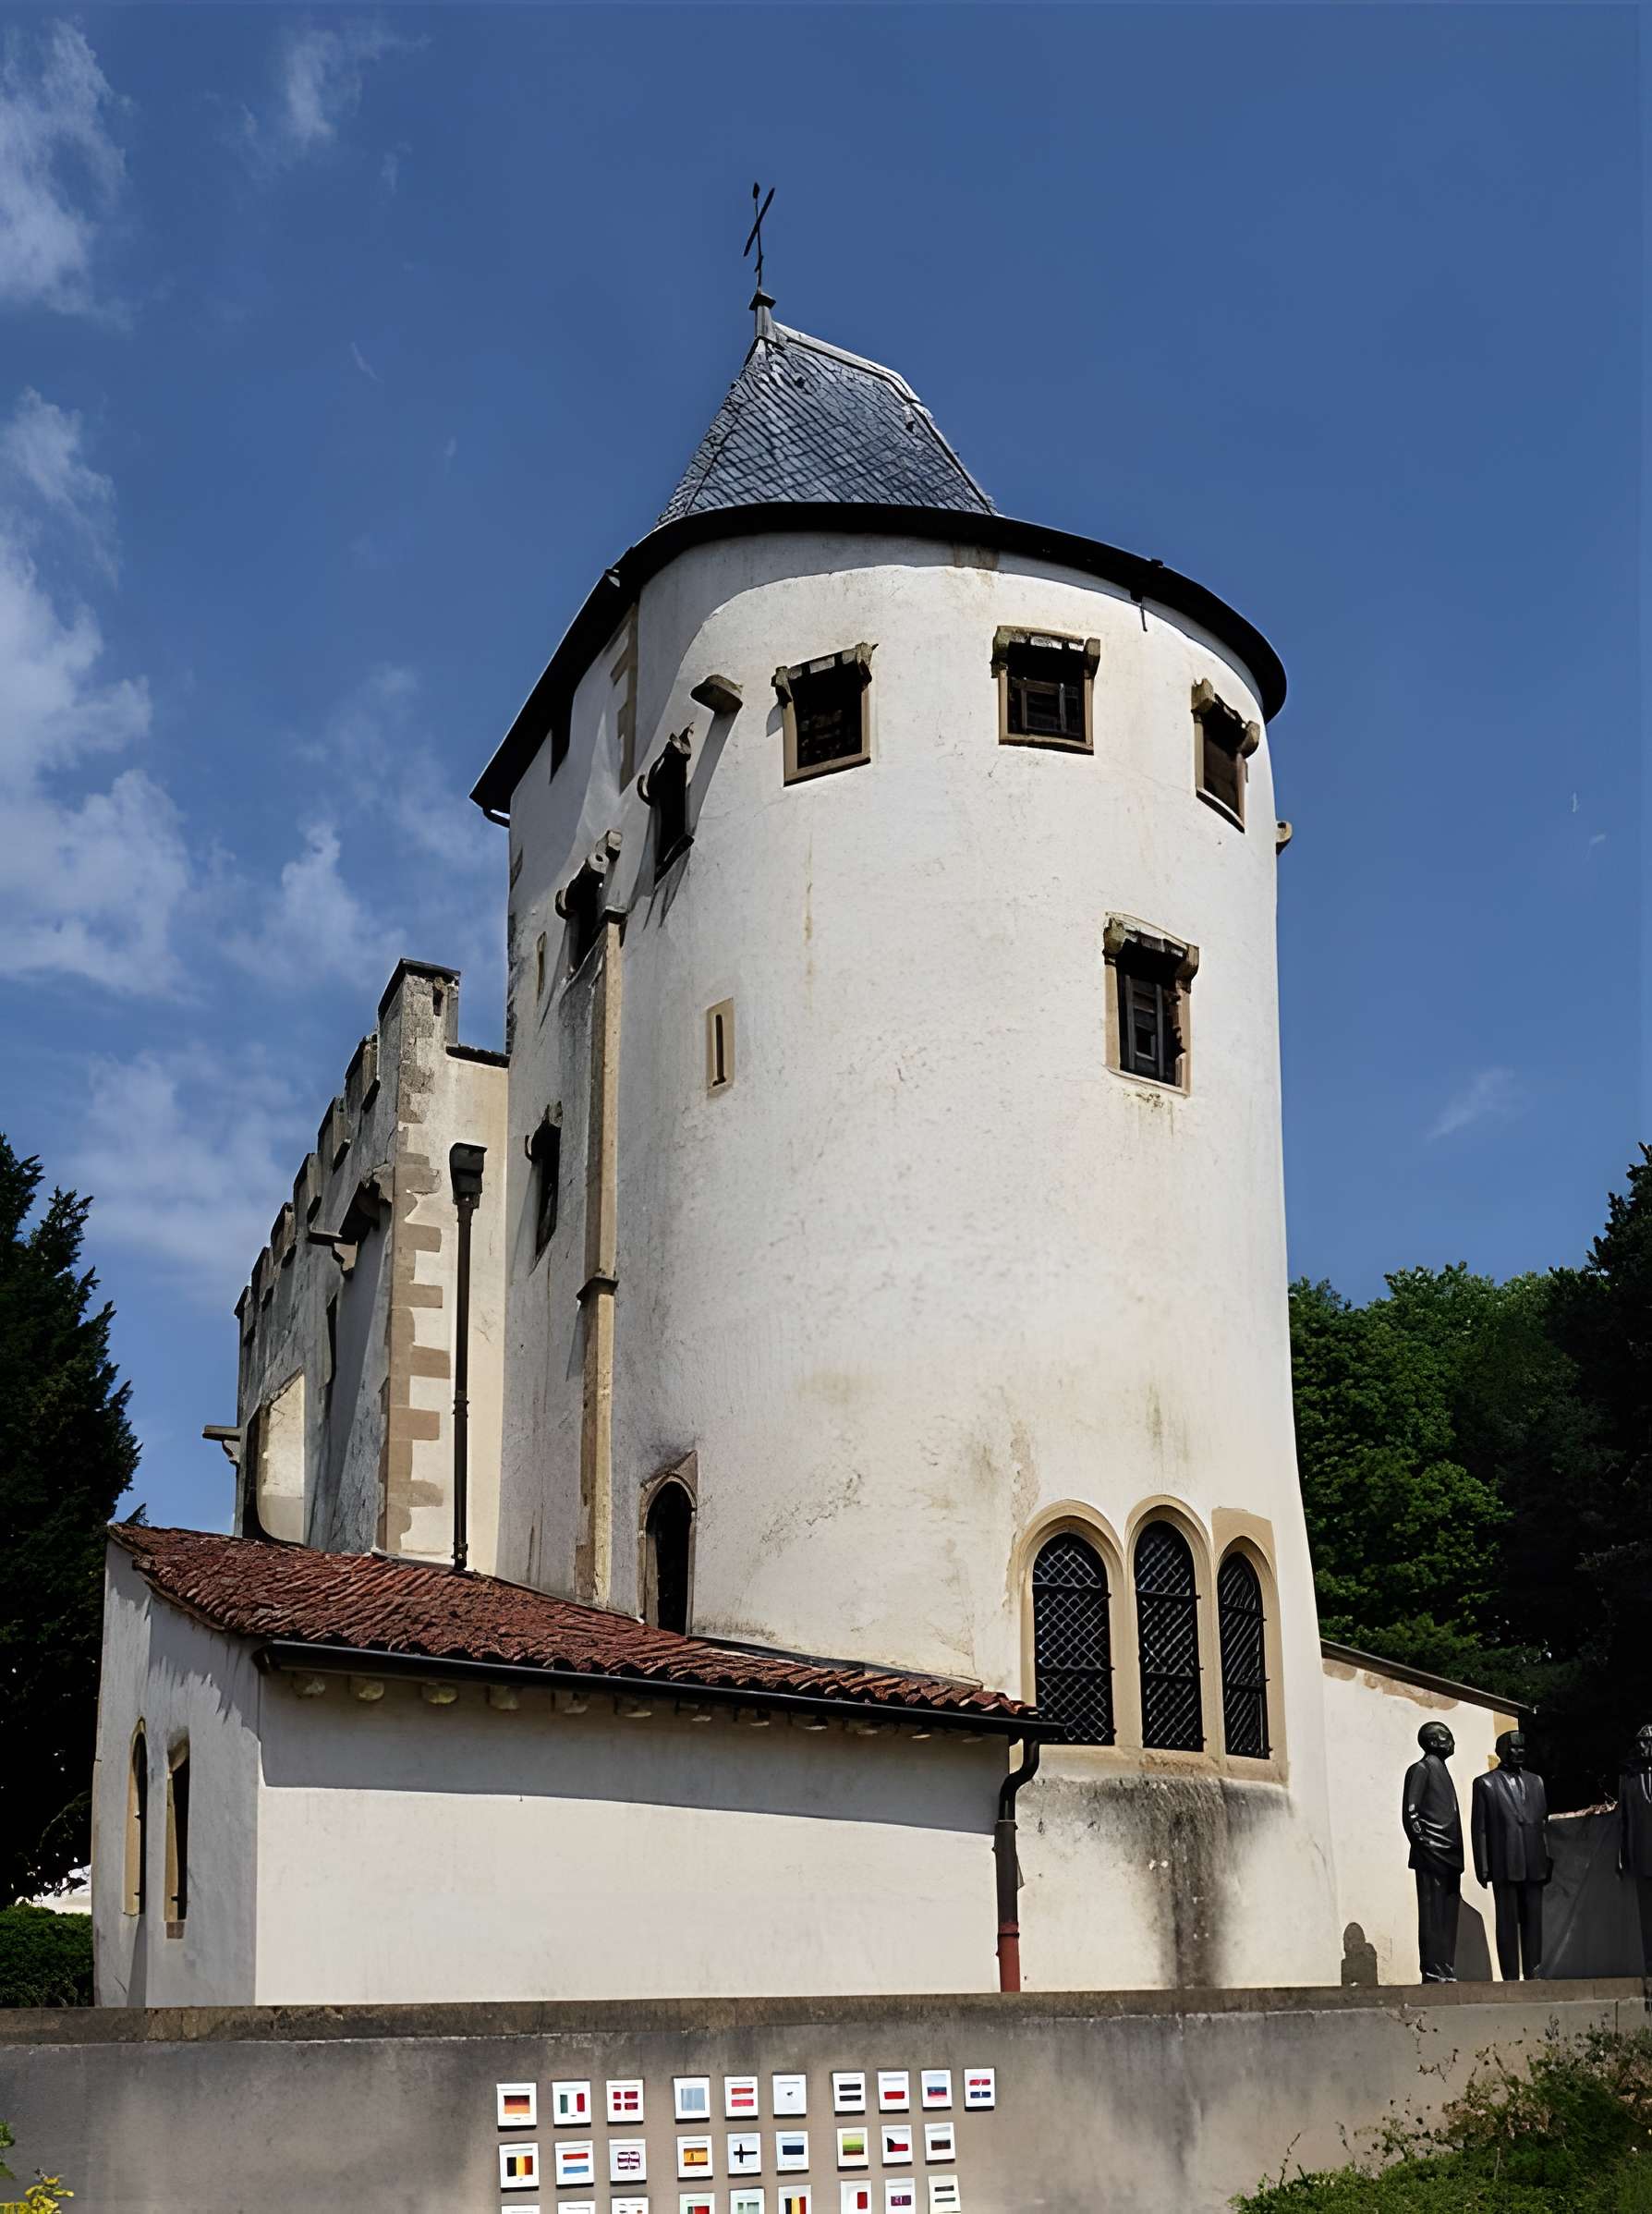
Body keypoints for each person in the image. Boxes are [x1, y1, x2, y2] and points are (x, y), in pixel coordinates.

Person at [1471, 1729, 1549, 1979]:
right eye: (1514, 1748)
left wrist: (1547, 1858)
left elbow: (1542, 1823)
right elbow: (1480, 1827)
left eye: (1522, 1748)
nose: (1519, 1752)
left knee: (1533, 1922)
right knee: (1507, 1922)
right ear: (1501, 1752)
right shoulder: (1485, 1783)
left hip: (1534, 1861)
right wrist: (1482, 1865)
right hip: (1504, 1862)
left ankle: (1534, 1972)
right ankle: (1510, 1978)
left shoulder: (1536, 1781)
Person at [1403, 1721, 1464, 1982]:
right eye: (1446, 1736)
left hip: (1451, 1855)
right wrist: (1425, 1844)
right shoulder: (1421, 1769)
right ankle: (1432, 1970)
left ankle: (1446, 1968)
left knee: (1449, 1916)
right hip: (1432, 1853)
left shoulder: (1443, 1772)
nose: (1451, 1741)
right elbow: (1411, 1812)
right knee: (1432, 1914)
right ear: (1433, 1741)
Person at [1618, 1721, 1652, 1975]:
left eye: (1646, 1741)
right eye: (1639, 1741)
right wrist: (1621, 1854)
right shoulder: (1628, 1777)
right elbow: (1623, 1818)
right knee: (1647, 1917)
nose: (1641, 1746)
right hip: (1642, 1853)